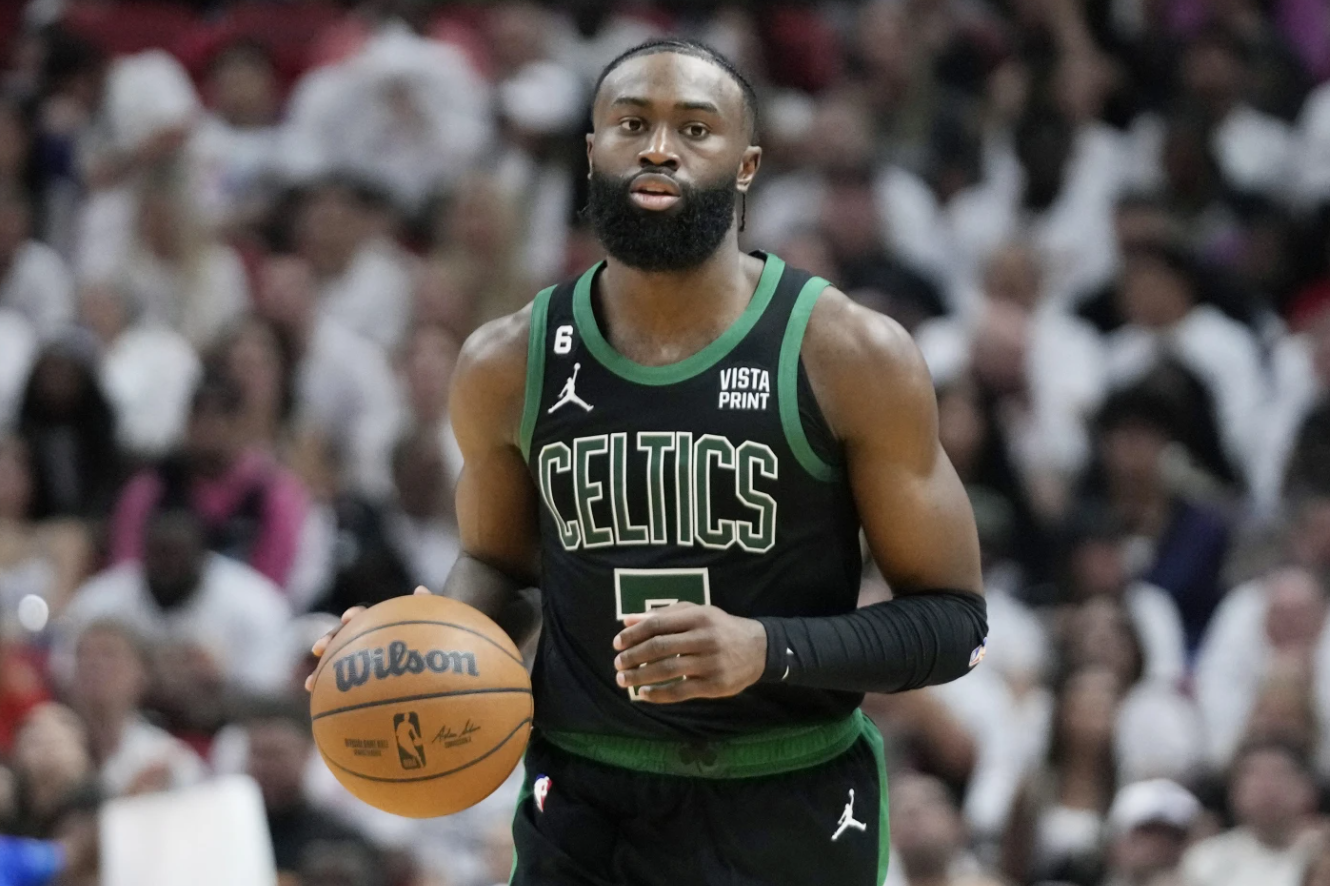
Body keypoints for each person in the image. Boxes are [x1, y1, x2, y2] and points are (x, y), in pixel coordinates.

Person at [309, 38, 987, 885]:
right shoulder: (505, 362)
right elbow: (499, 567)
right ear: (594, 153)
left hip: (785, 794)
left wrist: (765, 649)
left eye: (695, 128)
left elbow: (956, 628)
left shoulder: (849, 353)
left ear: (746, 166)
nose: (659, 146)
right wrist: (412, 646)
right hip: (587, 801)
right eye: (632, 123)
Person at [1180, 739, 1319, 886]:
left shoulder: (1321, 855)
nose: (1267, 787)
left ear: (1307, 789)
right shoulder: (1205, 859)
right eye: (1255, 776)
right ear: (1233, 791)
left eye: (1279, 774)